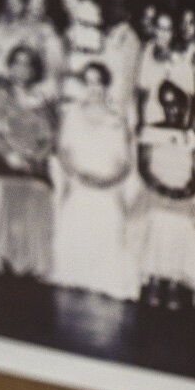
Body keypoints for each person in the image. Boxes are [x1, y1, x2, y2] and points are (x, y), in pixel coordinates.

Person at [53, 61, 138, 300]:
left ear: (105, 85)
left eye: (98, 82)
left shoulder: (117, 119)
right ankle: (75, 277)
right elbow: (63, 152)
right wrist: (79, 176)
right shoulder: (72, 115)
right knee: (76, 210)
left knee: (109, 216)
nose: (93, 88)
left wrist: (107, 181)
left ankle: (102, 280)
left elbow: (125, 163)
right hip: (79, 182)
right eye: (88, 82)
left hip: (107, 186)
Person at [0, 43, 57, 278]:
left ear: (34, 69)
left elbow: (49, 136)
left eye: (27, 64)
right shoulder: (1, 95)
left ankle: (31, 262)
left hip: (35, 163)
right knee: (14, 192)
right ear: (9, 66)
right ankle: (10, 259)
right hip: (7, 160)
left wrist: (36, 158)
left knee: (39, 192)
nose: (22, 68)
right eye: (17, 62)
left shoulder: (42, 99)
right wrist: (13, 156)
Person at [135, 81, 195, 310]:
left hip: (183, 195)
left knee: (183, 224)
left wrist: (185, 191)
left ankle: (174, 281)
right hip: (157, 191)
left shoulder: (191, 135)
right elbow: (143, 167)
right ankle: (153, 278)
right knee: (157, 220)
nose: (173, 109)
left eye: (177, 104)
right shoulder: (151, 131)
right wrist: (162, 189)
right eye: (168, 104)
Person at [137, 12, 195, 127]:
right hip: (148, 123)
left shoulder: (181, 62)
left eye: (167, 30)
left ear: (173, 33)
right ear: (153, 29)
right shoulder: (145, 56)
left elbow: (190, 100)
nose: (162, 34)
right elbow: (141, 94)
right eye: (159, 28)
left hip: (172, 127)